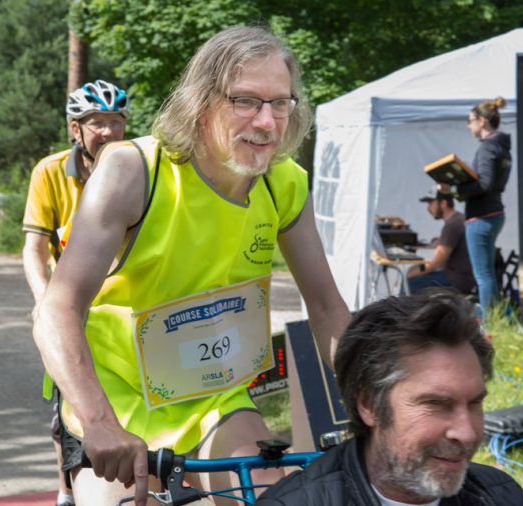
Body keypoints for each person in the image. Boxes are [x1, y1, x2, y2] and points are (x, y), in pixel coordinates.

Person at [32, 26, 351, 506]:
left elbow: (328, 308)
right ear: (200, 103)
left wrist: (381, 399)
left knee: (266, 499)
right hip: (112, 399)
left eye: (280, 103)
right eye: (245, 101)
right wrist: (98, 422)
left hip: (214, 399)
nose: (267, 122)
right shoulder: (134, 171)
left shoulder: (285, 185)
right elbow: (56, 310)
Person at [256, 289, 523, 506]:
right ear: (369, 404)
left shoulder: (501, 496)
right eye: (435, 404)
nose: (467, 433)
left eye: (475, 403)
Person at [22, 80, 129, 506]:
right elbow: (33, 246)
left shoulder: (138, 167)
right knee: (68, 401)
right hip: (72, 304)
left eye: (115, 121)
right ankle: (67, 491)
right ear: (74, 129)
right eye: (96, 122)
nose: (107, 131)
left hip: (123, 305)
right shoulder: (50, 171)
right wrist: (44, 301)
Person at [440, 97, 511, 319]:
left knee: (482, 275)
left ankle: (491, 326)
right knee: (487, 273)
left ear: (481, 121)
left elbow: (485, 183)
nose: (468, 125)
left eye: (470, 121)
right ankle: (497, 321)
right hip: (493, 213)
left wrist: (454, 190)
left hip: (481, 216)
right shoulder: (500, 147)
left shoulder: (487, 148)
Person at [406, 186, 475, 295]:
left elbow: (437, 262)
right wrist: (421, 247)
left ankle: (401, 311)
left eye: (431, 203)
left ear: (443, 203)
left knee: (408, 283)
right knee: (418, 273)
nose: (428, 209)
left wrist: (412, 273)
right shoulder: (459, 219)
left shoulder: (452, 225)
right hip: (463, 277)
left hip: (455, 280)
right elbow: (443, 244)